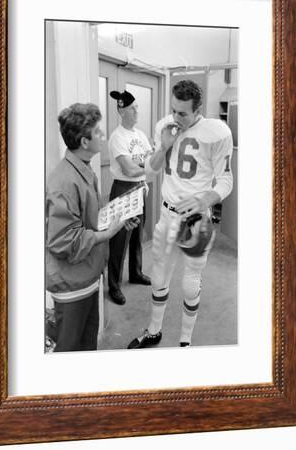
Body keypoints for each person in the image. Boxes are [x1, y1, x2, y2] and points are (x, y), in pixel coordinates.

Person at [127, 80, 234, 349]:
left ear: (198, 109)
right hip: (167, 214)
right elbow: (150, 172)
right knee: (159, 276)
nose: (176, 117)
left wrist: (204, 199)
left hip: (195, 220)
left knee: (190, 282)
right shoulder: (165, 125)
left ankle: (185, 340)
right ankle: (154, 330)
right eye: (173, 110)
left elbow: (226, 180)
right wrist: (163, 146)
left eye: (183, 113)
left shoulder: (217, 132)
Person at [46, 102, 139, 352]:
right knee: (70, 352)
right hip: (71, 285)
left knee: (87, 348)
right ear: (85, 142)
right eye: (98, 132)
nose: (104, 136)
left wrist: (118, 219)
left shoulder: (84, 170)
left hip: (87, 277)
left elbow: (88, 218)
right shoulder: (64, 182)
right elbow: (62, 241)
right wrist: (106, 234)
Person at [107, 90, 153, 306]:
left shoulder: (140, 135)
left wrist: (143, 172)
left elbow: (149, 160)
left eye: (136, 108)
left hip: (139, 189)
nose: (136, 111)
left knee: (137, 236)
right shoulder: (117, 137)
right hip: (123, 190)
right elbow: (128, 169)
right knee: (119, 241)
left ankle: (136, 273)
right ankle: (114, 285)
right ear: (121, 110)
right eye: (132, 108)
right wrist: (146, 167)